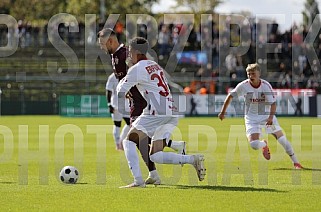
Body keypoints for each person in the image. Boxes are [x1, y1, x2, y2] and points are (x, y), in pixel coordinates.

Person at [98, 28, 186, 185]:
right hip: (136, 103)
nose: (101, 47)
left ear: (110, 41)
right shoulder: (116, 56)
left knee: (135, 139)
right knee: (140, 140)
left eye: (102, 44)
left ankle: (142, 177)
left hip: (141, 103)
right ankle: (155, 172)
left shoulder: (125, 54)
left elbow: (138, 75)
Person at [117, 37, 206, 188]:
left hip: (155, 111)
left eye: (130, 52)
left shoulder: (136, 69)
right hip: (171, 111)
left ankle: (138, 181)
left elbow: (120, 91)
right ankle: (192, 159)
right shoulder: (154, 65)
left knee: (128, 140)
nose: (129, 55)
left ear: (137, 52)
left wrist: (125, 79)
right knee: (155, 155)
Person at [218, 63, 303, 169]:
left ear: (259, 74)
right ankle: (264, 144)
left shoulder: (265, 86)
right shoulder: (243, 85)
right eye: (248, 74)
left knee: (282, 140)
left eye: (253, 74)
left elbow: (273, 103)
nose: (250, 76)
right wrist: (222, 112)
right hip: (251, 119)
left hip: (266, 117)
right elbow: (230, 96)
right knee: (253, 145)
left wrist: (271, 118)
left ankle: (296, 162)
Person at [106, 73, 130, 150]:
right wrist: (109, 104)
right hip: (116, 105)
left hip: (126, 105)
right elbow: (108, 91)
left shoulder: (127, 75)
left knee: (131, 124)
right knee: (117, 125)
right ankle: (118, 144)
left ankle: (121, 141)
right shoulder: (112, 77)